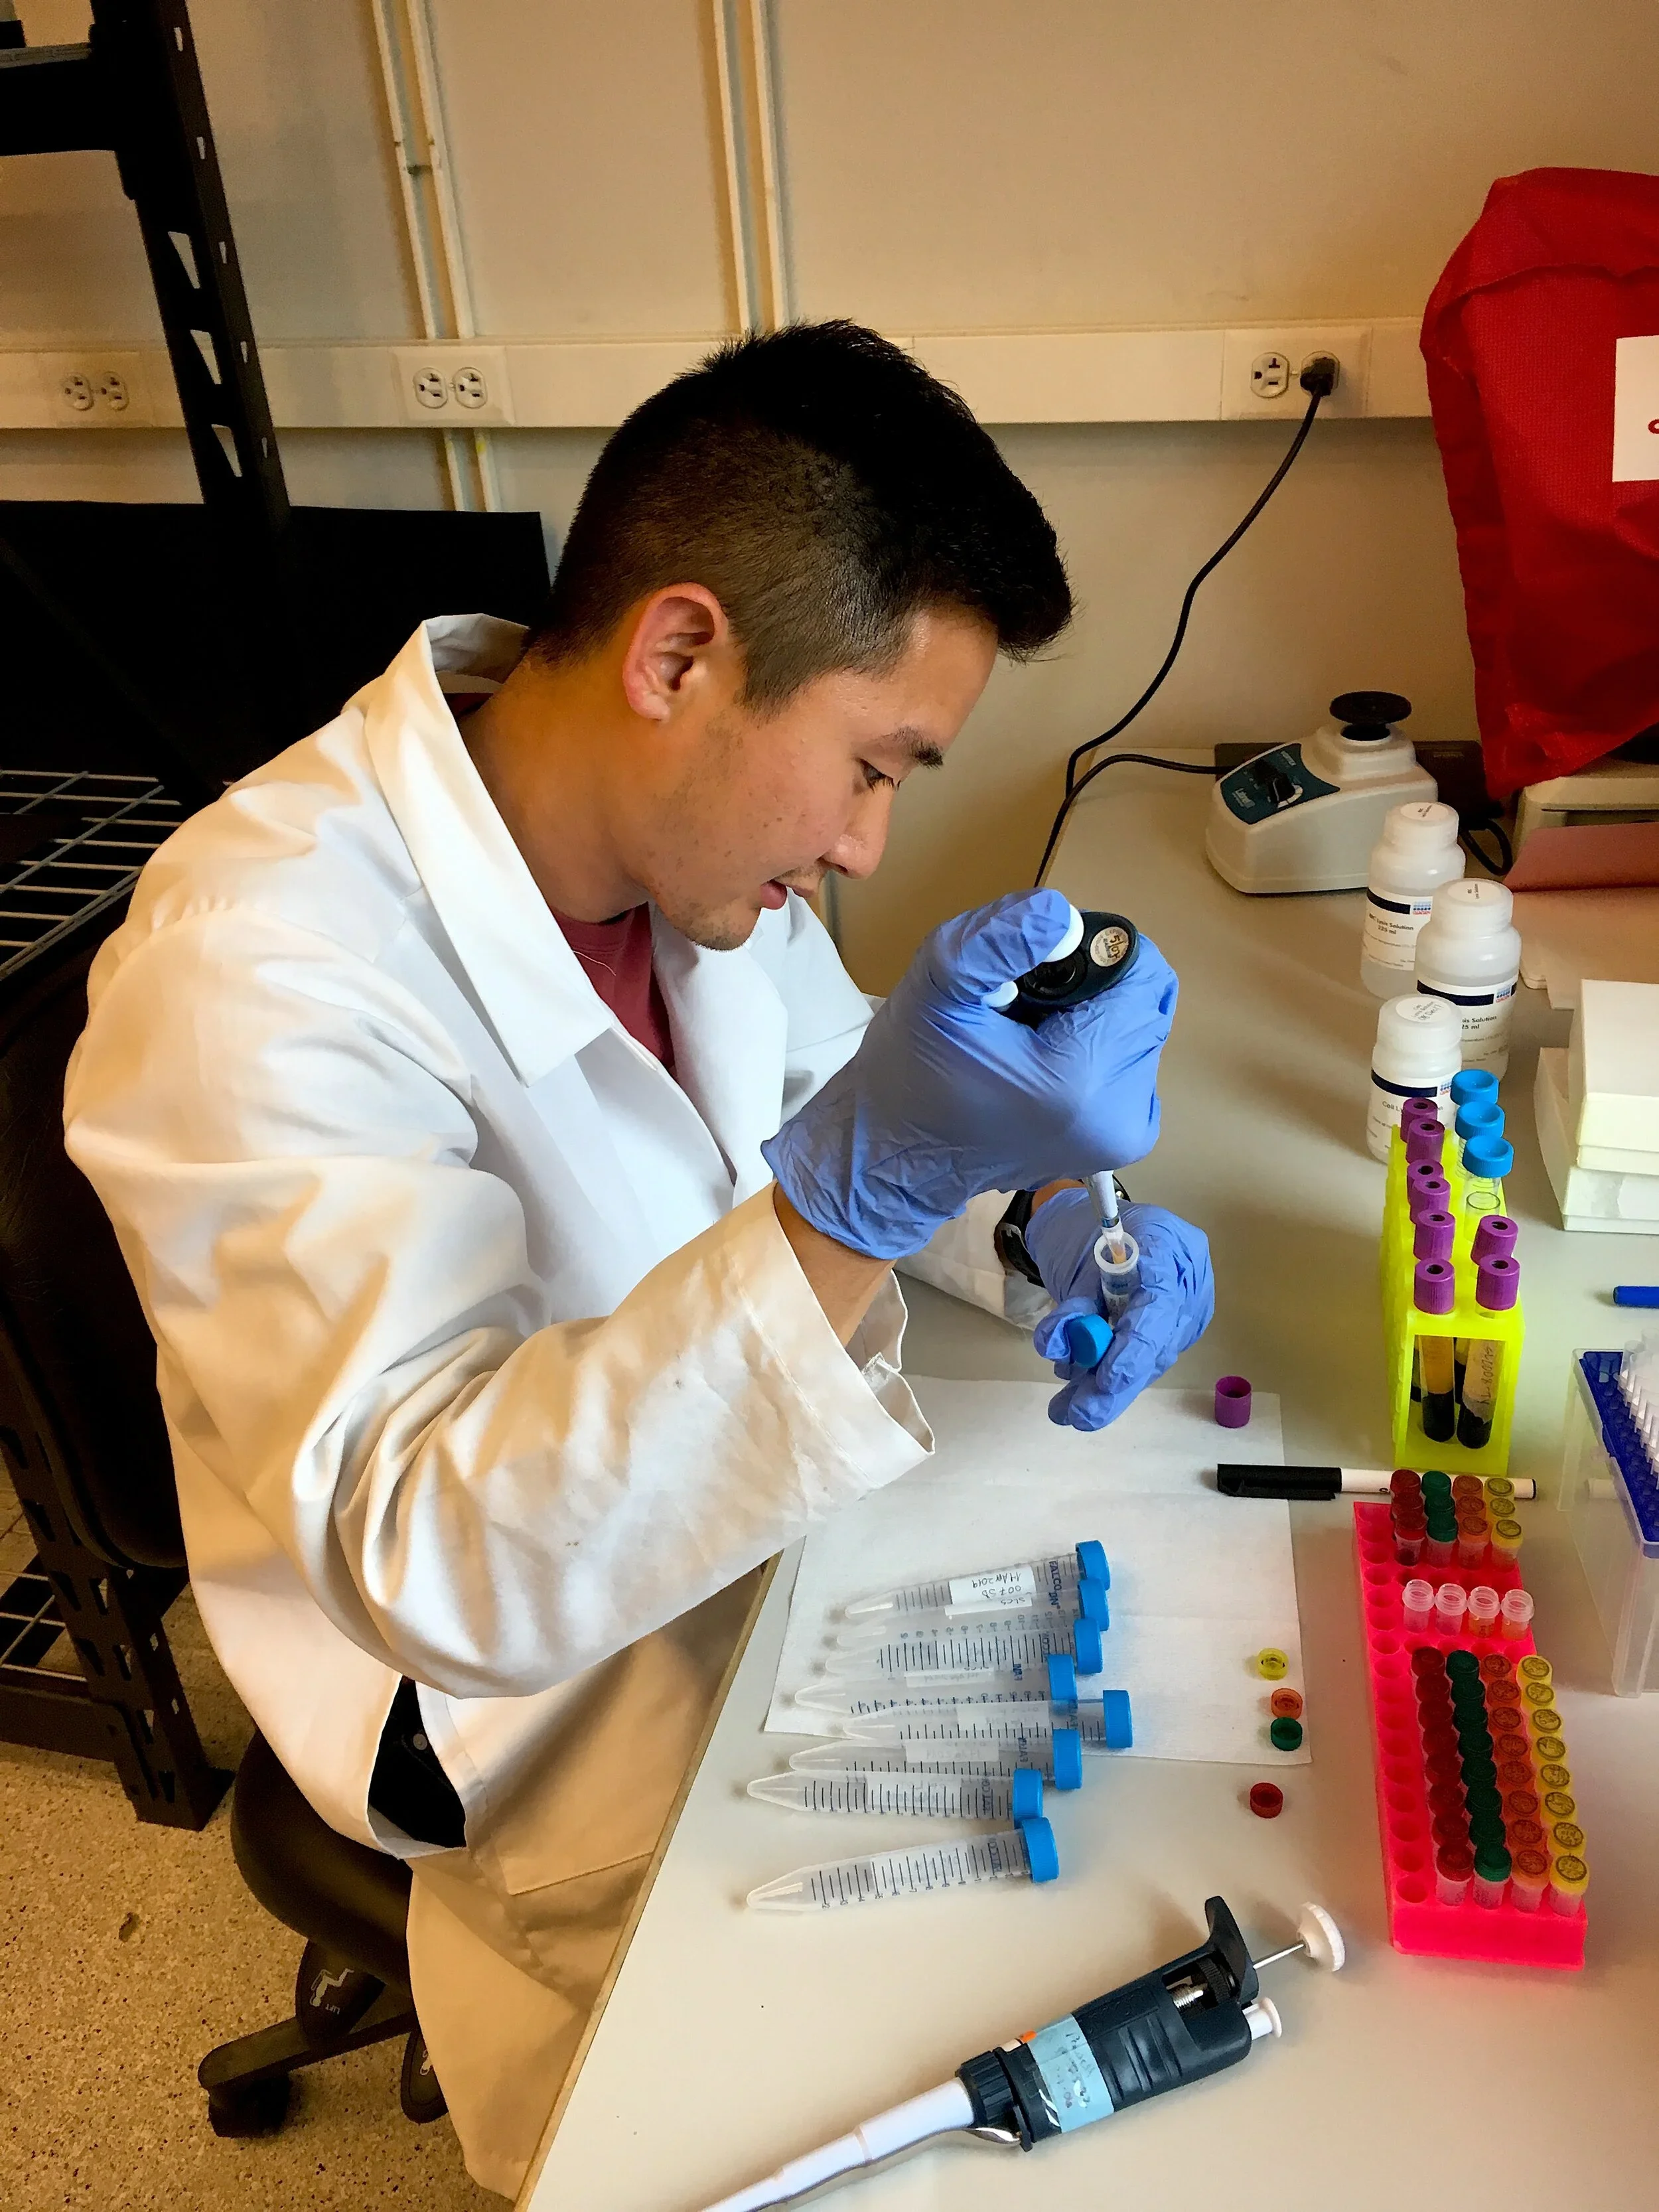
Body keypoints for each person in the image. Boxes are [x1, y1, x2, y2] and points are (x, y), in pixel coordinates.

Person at [63, 322, 1212, 2194]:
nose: (867, 846)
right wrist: (858, 1200)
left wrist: (1035, 1216)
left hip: (737, 1534)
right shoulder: (253, 967)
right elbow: (435, 1552)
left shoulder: (687, 854)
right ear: (678, 655)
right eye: (872, 765)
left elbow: (822, 1101)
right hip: (516, 1696)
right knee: (803, 2123)